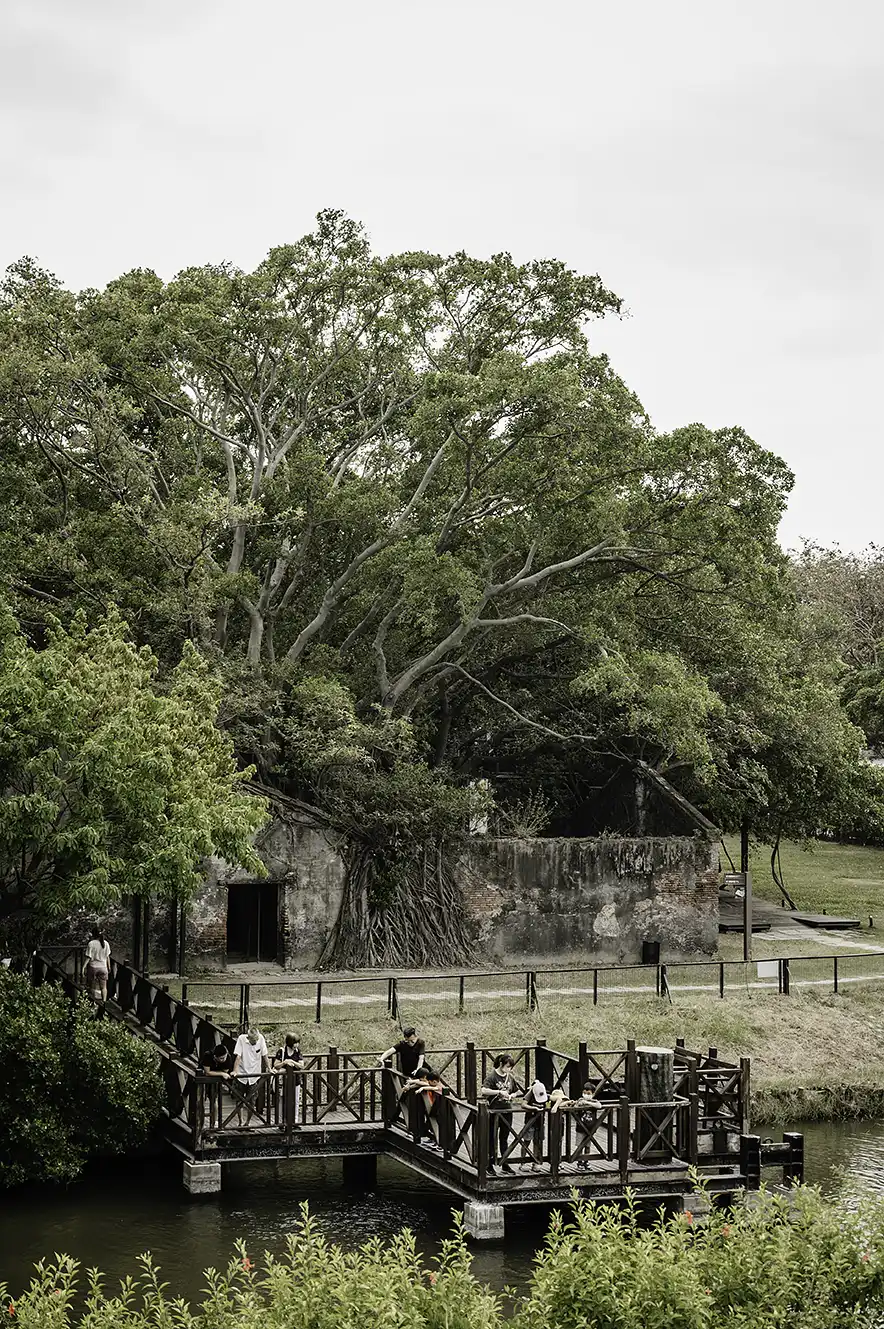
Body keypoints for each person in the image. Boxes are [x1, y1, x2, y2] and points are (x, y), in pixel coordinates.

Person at [480, 1053, 521, 1173]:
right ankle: (490, 1163)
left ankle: (504, 1162)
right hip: (494, 1111)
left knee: (504, 1137)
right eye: (508, 1066)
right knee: (491, 1137)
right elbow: (484, 1090)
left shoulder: (510, 1077)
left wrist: (512, 1095)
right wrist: (498, 1092)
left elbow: (518, 1091)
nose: (509, 1069)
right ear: (501, 1064)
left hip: (507, 1110)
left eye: (511, 1067)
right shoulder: (492, 1077)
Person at [232, 1027, 269, 1125]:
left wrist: (269, 1068)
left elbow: (264, 1055)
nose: (255, 1042)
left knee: (252, 1101)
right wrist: (235, 1070)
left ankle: (247, 1122)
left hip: (254, 1076)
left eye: (256, 1040)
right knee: (239, 1100)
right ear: (248, 1038)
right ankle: (240, 1122)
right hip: (242, 1074)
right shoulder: (241, 1039)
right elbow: (238, 1056)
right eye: (253, 1041)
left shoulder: (261, 1038)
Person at [403, 1064, 444, 1148]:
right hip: (434, 1107)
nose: (427, 1082)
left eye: (429, 1081)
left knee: (438, 1125)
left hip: (441, 1109)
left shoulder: (439, 1086)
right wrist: (410, 1086)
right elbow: (422, 1083)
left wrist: (421, 1088)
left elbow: (432, 1087)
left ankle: (439, 1143)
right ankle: (434, 1139)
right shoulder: (432, 1082)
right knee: (431, 1124)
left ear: (434, 1081)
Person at [272, 1033, 305, 1129]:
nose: (297, 1045)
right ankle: (281, 1122)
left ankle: (294, 1121)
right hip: (283, 1081)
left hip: (295, 1080)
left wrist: (293, 1062)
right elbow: (276, 1065)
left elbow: (301, 1065)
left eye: (298, 1042)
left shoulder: (298, 1051)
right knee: (282, 1101)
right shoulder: (282, 1051)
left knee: (296, 1101)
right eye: (295, 1043)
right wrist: (285, 1062)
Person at [200, 1042, 234, 1126]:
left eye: (224, 1057)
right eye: (221, 1058)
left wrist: (220, 1073)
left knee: (214, 1099)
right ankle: (200, 1121)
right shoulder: (208, 1055)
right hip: (203, 1078)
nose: (223, 1059)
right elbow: (207, 1072)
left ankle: (214, 1121)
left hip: (215, 1080)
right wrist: (221, 1074)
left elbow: (225, 1071)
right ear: (215, 1057)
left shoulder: (228, 1058)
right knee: (201, 1099)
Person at [518, 1078, 549, 1171]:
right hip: (530, 1121)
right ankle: (522, 1162)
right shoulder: (530, 1094)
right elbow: (523, 1104)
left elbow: (551, 1102)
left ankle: (536, 1161)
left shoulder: (544, 1094)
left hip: (540, 1122)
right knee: (526, 1141)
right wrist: (533, 1108)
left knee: (538, 1142)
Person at [83, 927, 111, 1002]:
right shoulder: (106, 943)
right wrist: (109, 967)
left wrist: (83, 967)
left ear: (93, 934)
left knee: (92, 986)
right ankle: (104, 1002)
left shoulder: (91, 943)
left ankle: (93, 1002)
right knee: (104, 987)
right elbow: (107, 957)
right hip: (103, 967)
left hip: (93, 967)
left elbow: (89, 957)